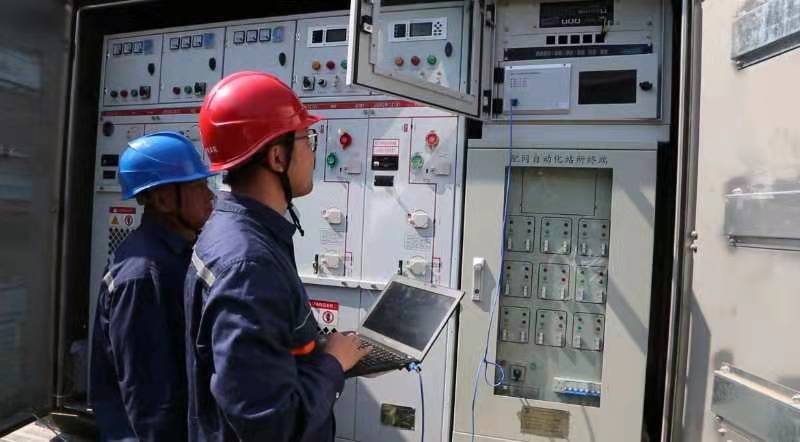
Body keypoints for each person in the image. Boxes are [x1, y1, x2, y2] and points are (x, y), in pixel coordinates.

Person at [185, 71, 369, 442]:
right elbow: (271, 424)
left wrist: (322, 352)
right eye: (306, 139)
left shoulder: (230, 230)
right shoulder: (248, 264)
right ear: (277, 156)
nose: (313, 154)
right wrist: (332, 364)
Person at [90, 132, 216, 441]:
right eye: (198, 185)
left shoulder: (174, 254)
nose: (210, 195)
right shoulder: (143, 275)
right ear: (162, 200)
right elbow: (152, 404)